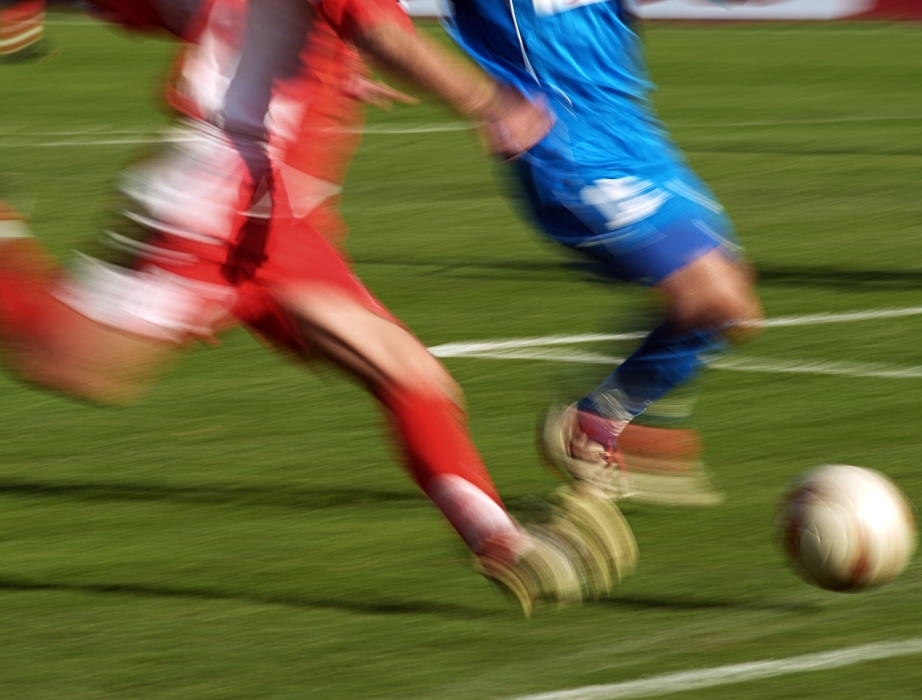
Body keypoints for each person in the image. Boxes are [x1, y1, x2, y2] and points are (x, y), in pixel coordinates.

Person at [0, 0, 636, 615]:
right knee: (77, 364)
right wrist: (491, 103)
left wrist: (320, 59)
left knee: (410, 377)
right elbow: (387, 37)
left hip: (279, 215)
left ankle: (502, 542)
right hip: (222, 204)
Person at [444, 0, 763, 504]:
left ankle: (596, 420)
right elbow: (371, 17)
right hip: (566, 146)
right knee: (710, 297)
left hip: (635, 138)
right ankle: (591, 423)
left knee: (734, 308)